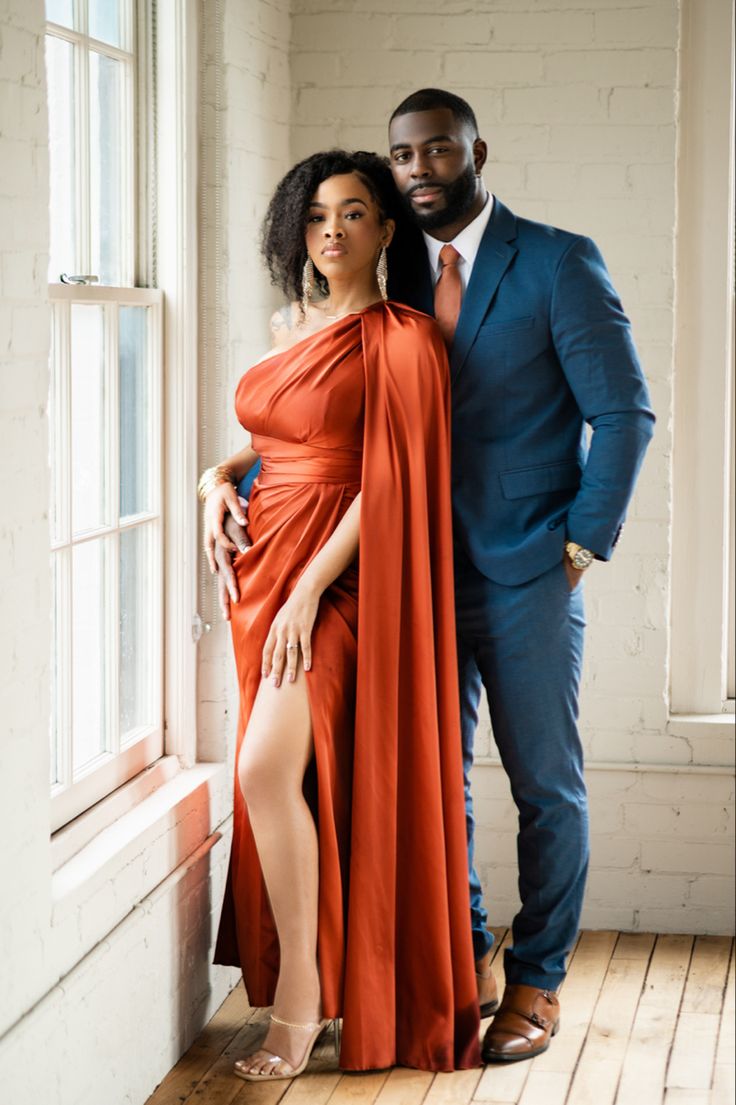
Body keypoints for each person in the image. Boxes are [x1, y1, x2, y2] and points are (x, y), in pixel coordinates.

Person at [214, 93, 655, 1066]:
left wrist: (580, 545)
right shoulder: (389, 273)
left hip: (526, 563)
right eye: (402, 153)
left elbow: (624, 412)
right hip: (399, 575)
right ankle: (462, 953)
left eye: (437, 148)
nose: (418, 165)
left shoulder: (554, 259)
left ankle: (536, 978)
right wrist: (228, 473)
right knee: (427, 776)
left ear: (474, 151)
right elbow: (332, 428)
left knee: (543, 779)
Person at [203, 149, 482, 1080]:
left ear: (386, 231)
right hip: (267, 567)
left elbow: (389, 477)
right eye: (317, 215)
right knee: (286, 779)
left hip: (343, 578)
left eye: (355, 213)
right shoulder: (294, 327)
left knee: (263, 769)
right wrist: (217, 479)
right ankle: (309, 988)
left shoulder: (404, 337)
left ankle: (298, 1005)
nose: (332, 230)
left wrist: (313, 586)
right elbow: (276, 436)